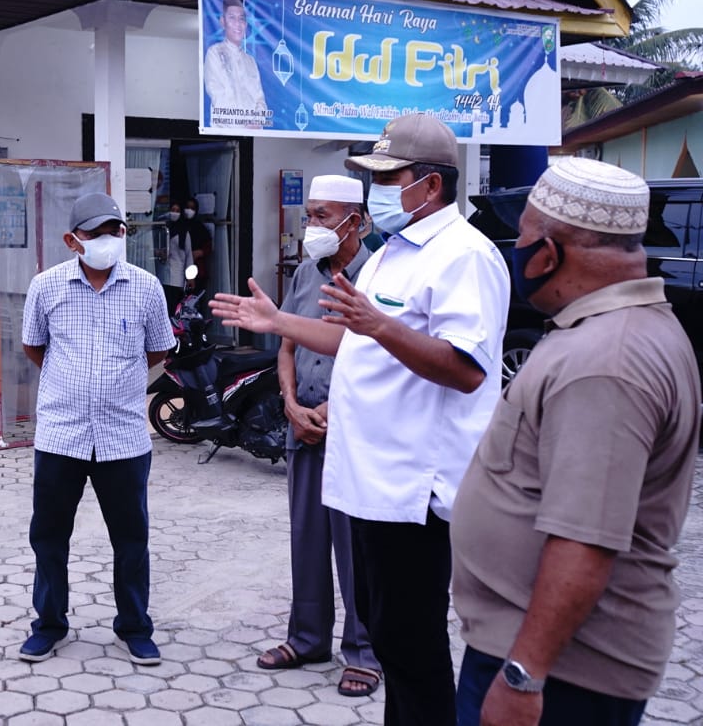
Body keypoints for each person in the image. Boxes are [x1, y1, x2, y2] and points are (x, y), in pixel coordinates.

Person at [211, 114, 510, 726]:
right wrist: (278, 323)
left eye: (388, 178)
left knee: (412, 646)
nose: (377, 191)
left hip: (414, 493)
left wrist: (380, 325)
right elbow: (353, 340)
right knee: (393, 639)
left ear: (430, 184)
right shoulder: (391, 255)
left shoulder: (464, 256)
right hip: (369, 484)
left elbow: (466, 369)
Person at [452, 159, 700, 726]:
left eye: (523, 238)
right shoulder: (611, 332)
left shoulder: (607, 361)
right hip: (545, 657)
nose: (516, 252)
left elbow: (584, 540)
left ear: (548, 253)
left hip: (563, 672)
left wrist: (523, 676)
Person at [18, 192, 176, 666]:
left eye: (115, 231)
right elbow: (34, 347)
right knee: (49, 537)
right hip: (60, 435)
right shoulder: (46, 287)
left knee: (131, 540)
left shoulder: (146, 287)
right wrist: (73, 384)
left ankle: (134, 626)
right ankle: (49, 624)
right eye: (96, 233)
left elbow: (158, 350)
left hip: (123, 437)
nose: (108, 240)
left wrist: (115, 385)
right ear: (73, 240)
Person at [257, 175, 380, 697]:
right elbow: (287, 342)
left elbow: (377, 355)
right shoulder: (306, 273)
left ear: (356, 221)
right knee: (307, 538)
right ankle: (307, 639)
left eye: (322, 216)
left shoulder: (379, 273)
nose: (311, 226)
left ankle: (364, 652)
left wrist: (330, 410)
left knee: (356, 547)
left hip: (354, 430)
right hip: (302, 425)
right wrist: (290, 404)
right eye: (309, 215)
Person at [204, 0, 269, 128]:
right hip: (225, 131)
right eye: (232, 18)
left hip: (252, 132)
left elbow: (259, 99)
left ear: (246, 24)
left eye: (241, 19)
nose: (238, 24)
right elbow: (218, 95)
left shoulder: (250, 61)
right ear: (223, 21)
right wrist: (242, 124)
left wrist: (257, 121)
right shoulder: (215, 53)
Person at [159, 201, 193, 314]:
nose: (174, 213)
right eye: (172, 210)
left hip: (177, 277)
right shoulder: (161, 229)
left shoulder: (184, 233)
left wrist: (190, 277)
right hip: (162, 275)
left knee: (174, 308)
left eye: (177, 211)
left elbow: (189, 255)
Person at [182, 196, 213, 291]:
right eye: (187, 207)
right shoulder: (178, 226)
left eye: (192, 208)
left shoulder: (199, 228)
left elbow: (208, 246)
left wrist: (200, 252)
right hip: (179, 269)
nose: (189, 211)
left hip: (197, 269)